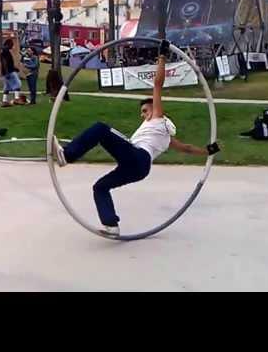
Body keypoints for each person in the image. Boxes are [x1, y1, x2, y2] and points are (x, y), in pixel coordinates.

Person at [51, 40, 220, 238]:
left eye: (144, 110)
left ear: (154, 109)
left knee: (101, 128)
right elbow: (188, 148)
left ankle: (67, 156)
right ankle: (111, 224)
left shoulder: (158, 118)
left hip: (138, 158)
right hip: (140, 168)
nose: (142, 114)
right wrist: (209, 150)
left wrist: (163, 56)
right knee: (100, 187)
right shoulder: (165, 137)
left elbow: (157, 84)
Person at [0, 38, 25, 107]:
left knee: (7, 87)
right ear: (8, 44)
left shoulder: (4, 51)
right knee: (17, 83)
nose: (12, 46)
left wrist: (14, 68)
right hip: (9, 72)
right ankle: (17, 99)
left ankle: (4, 101)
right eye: (11, 44)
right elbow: (4, 63)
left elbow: (8, 63)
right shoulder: (5, 51)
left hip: (6, 72)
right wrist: (7, 72)